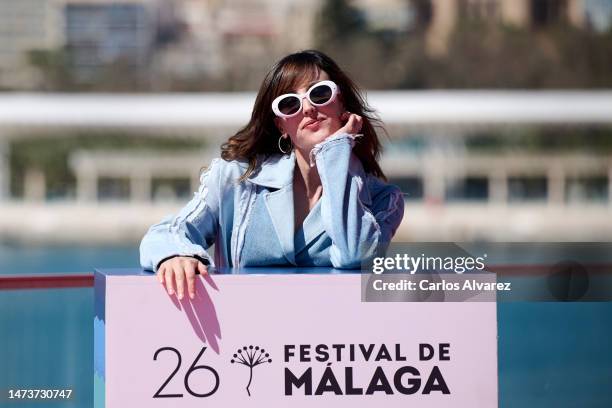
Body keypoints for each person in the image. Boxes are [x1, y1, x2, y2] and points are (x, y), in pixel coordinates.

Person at [140, 50, 404, 300]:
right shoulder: (237, 179)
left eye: (320, 94)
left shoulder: (384, 200)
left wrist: (336, 152)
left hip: (323, 343)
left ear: (342, 102)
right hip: (241, 340)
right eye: (289, 104)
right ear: (281, 124)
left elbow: (356, 254)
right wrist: (178, 256)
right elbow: (166, 233)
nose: (308, 108)